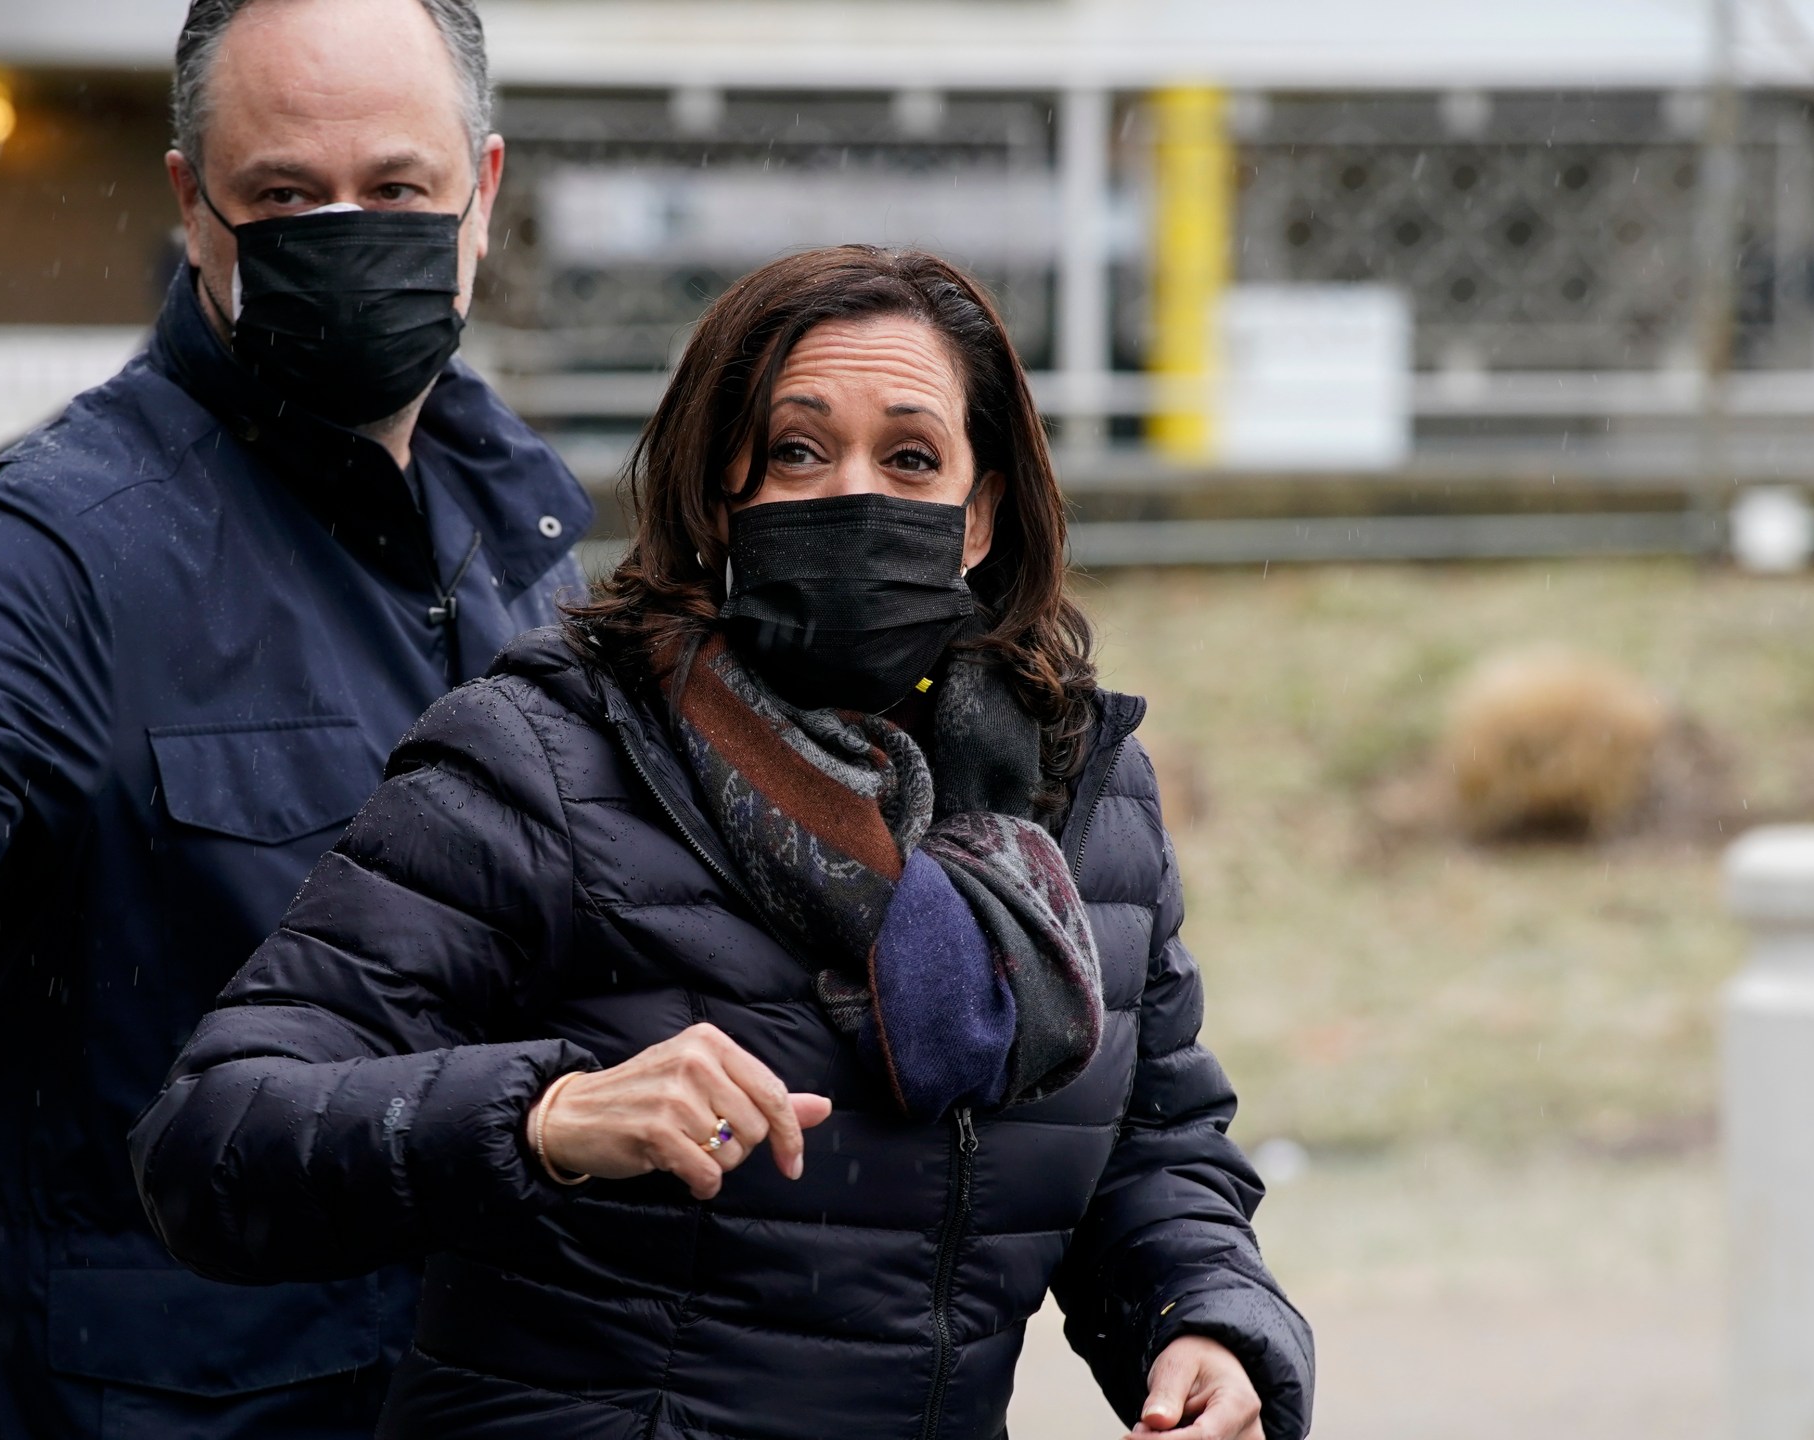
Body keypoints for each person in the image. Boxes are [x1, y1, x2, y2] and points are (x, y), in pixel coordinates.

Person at [132, 246, 1316, 1440]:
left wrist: (1202, 1319)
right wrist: (545, 1119)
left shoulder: (1083, 800)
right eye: (798, 449)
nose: (855, 494)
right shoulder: (540, 759)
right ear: (715, 496)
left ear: (981, 516)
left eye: (910, 458)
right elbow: (213, 1142)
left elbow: (1151, 1152)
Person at [0, 0, 592, 1435]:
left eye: (397, 189)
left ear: (480, 196)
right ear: (192, 207)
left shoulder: (529, 543)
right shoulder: (61, 551)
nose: (347, 229)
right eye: (286, 194)